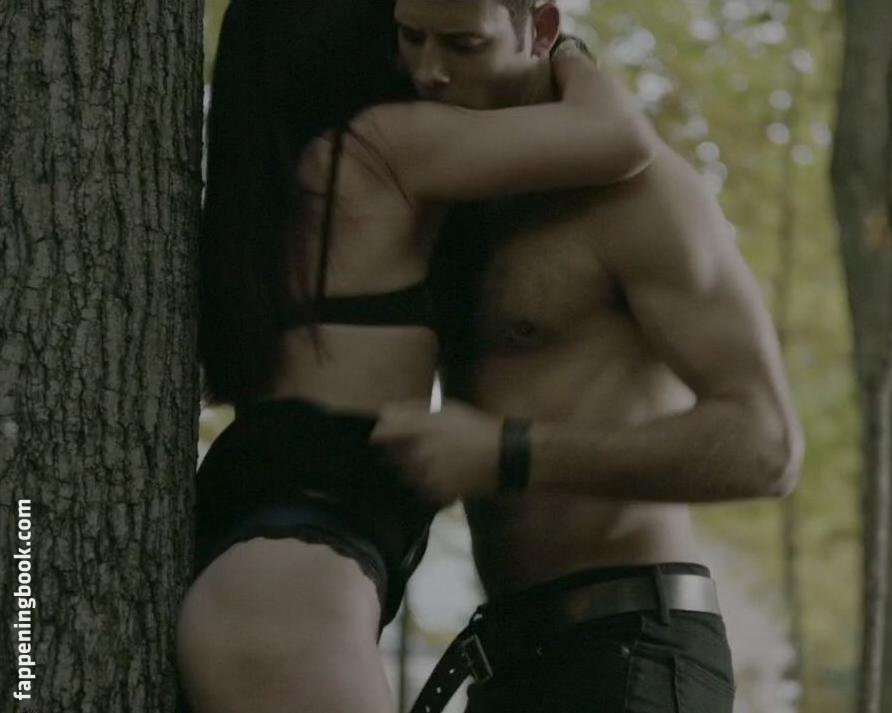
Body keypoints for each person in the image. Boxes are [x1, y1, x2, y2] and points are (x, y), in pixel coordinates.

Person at [175, 0, 656, 710]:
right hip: (292, 600)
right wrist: (560, 49)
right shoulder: (386, 145)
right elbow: (618, 137)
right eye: (403, 31)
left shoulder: (280, 177)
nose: (428, 63)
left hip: (267, 580)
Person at [369, 1, 805, 711]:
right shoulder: (445, 186)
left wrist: (512, 453)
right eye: (410, 38)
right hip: (509, 654)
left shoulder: (643, 191)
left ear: (540, 29)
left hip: (634, 648)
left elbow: (768, 447)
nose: (429, 71)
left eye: (464, 44)